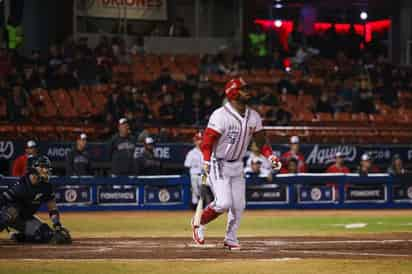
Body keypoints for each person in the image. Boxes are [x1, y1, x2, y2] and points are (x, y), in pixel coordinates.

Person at [191, 78, 281, 250]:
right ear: (233, 93)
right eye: (243, 89)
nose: (248, 92)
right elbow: (208, 142)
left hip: (237, 164)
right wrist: (206, 160)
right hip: (219, 162)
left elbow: (261, 141)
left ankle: (230, 238)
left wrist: (270, 157)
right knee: (224, 203)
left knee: (239, 205)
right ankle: (199, 221)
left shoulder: (253, 116)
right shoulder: (220, 115)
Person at [0, 156, 71, 244]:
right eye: (42, 167)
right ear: (33, 168)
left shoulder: (47, 187)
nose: (45, 170)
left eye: (47, 167)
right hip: (13, 216)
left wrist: (57, 226)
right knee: (10, 212)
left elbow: (52, 208)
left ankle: (19, 237)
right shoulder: (22, 185)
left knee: (47, 235)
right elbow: (3, 200)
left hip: (26, 218)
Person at [184, 132, 204, 207]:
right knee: (195, 192)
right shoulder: (191, 153)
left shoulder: (207, 152)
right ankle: (195, 206)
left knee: (204, 190)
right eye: (198, 140)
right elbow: (187, 165)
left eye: (201, 140)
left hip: (204, 175)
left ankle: (205, 206)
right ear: (195, 141)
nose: (200, 142)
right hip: (194, 174)